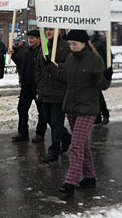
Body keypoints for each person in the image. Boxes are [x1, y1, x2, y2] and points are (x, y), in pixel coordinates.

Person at [47, 30, 112, 195]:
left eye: (75, 44)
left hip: (88, 108)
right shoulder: (70, 58)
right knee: (82, 144)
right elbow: (63, 77)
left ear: (84, 43)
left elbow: (101, 85)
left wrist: (106, 77)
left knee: (76, 144)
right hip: (71, 107)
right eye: (70, 44)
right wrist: (50, 66)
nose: (72, 47)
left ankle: (71, 181)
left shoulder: (94, 60)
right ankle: (90, 176)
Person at [37, 28, 72, 161]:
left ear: (59, 30)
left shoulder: (66, 47)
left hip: (59, 91)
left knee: (56, 122)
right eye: (47, 30)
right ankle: (66, 137)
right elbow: (39, 67)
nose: (48, 32)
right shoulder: (45, 47)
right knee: (48, 120)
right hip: (45, 91)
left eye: (51, 29)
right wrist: (39, 84)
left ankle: (54, 151)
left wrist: (56, 66)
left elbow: (67, 68)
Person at [10, 30, 47, 143]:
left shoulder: (44, 51)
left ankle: (40, 133)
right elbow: (21, 63)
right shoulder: (27, 51)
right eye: (29, 38)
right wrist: (13, 53)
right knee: (22, 108)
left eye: (33, 38)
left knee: (42, 111)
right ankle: (22, 132)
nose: (30, 40)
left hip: (38, 86)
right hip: (27, 85)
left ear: (39, 39)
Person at [87, 31, 110, 124]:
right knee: (92, 95)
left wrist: (106, 71)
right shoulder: (83, 39)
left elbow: (107, 56)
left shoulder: (101, 40)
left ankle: (105, 114)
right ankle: (96, 116)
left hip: (98, 70)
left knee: (98, 94)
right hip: (87, 70)